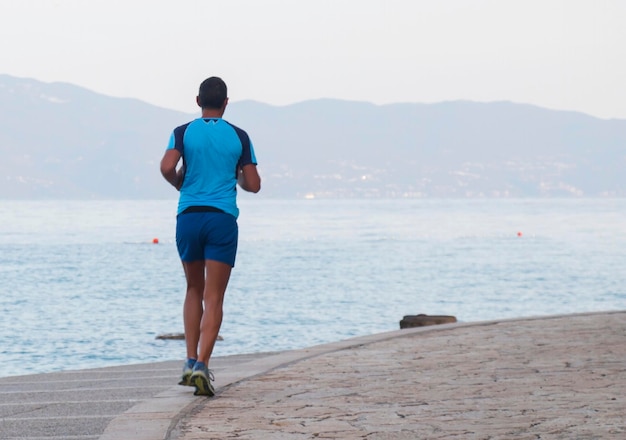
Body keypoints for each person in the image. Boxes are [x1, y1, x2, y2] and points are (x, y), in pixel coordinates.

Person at [160, 77, 261, 396]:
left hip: (189, 216)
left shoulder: (182, 131)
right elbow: (254, 184)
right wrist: (236, 178)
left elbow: (165, 167)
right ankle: (202, 365)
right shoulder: (239, 137)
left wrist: (180, 183)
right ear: (226, 102)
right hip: (221, 220)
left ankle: (189, 361)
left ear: (197, 100)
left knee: (193, 288)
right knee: (214, 296)